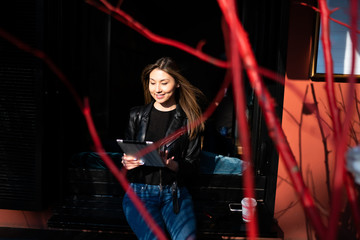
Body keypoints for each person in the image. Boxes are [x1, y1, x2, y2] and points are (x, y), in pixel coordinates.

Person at [121, 57, 205, 240]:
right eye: (152, 83)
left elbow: (193, 165)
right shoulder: (136, 115)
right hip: (140, 193)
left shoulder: (189, 120)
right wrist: (127, 162)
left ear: (177, 84)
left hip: (174, 194)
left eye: (164, 83)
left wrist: (172, 165)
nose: (157, 89)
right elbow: (128, 153)